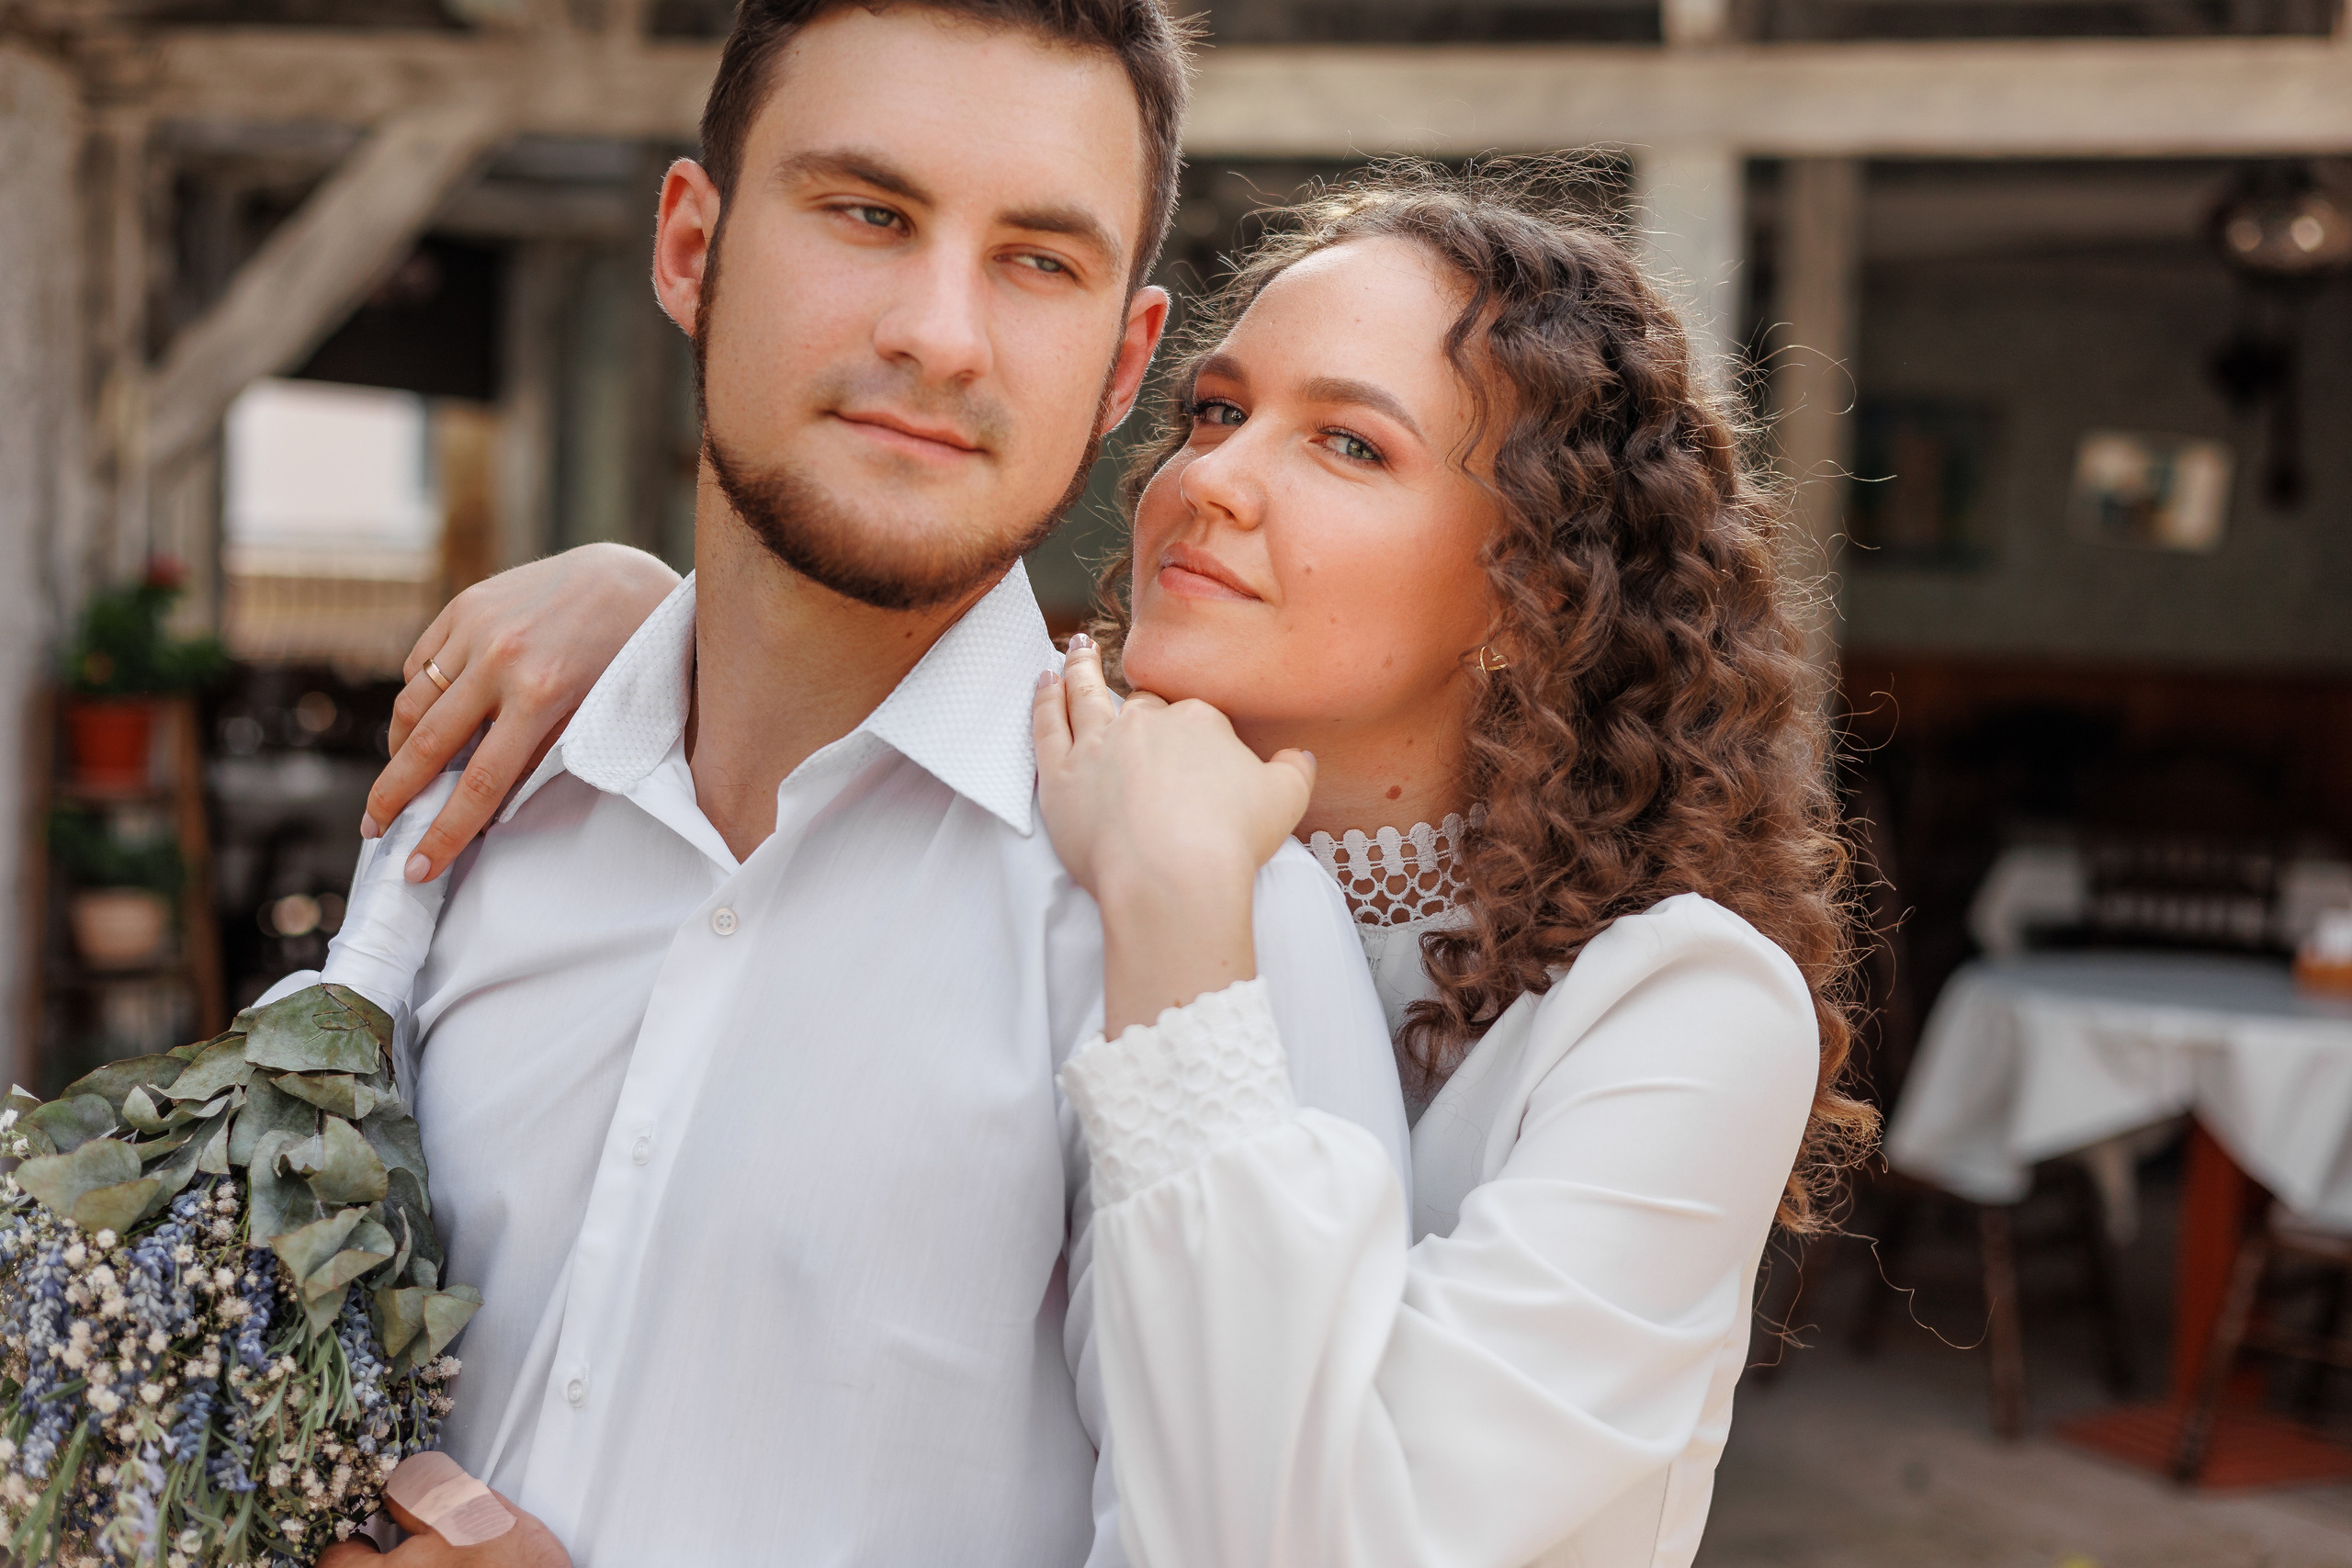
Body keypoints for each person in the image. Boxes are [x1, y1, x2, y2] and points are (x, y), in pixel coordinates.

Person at [370, 165, 1874, 1565]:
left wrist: (1179, 920)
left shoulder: (1682, 1011)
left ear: (1542, 586)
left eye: (1349, 444)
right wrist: (646, 617)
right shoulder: (1052, 806)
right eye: (1217, 414)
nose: (1205, 484)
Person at [302, 3, 1408, 1564]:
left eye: (1039, 260)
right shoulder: (476, 793)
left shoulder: (1208, 941)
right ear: (694, 247)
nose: (940, 334)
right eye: (868, 214)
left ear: (1122, 366)